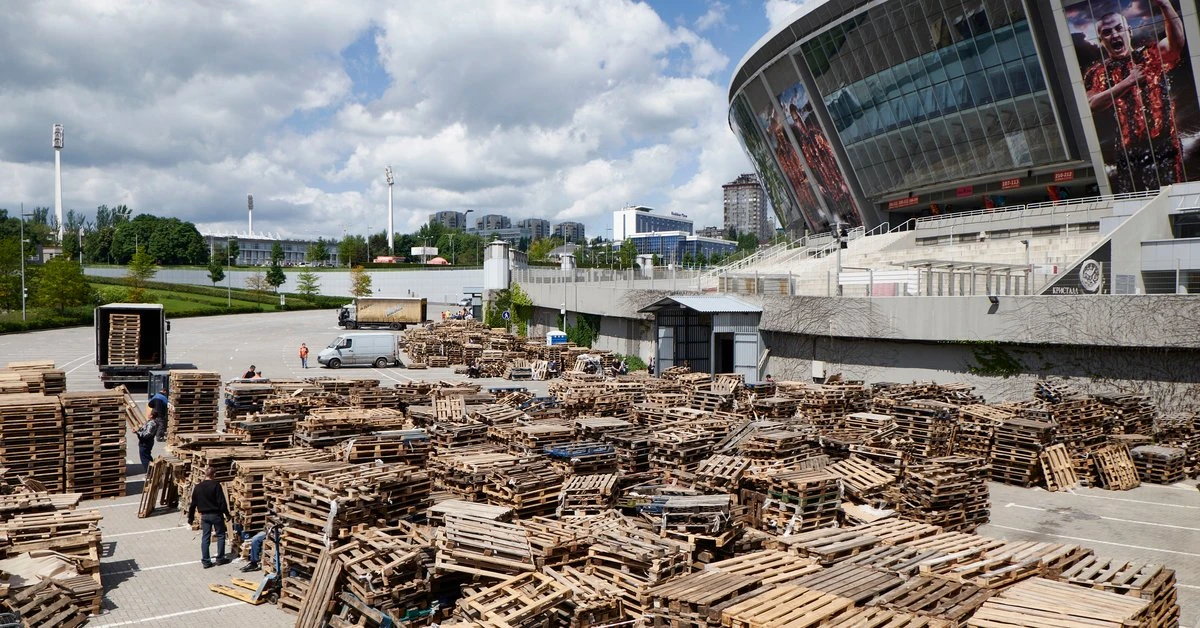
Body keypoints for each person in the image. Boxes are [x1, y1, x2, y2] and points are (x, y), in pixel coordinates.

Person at [1085, 0, 1186, 193]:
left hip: (1163, 143)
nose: (1114, 34)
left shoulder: (1149, 55)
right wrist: (1128, 82)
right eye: (1107, 32)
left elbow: (1176, 44)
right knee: (1133, 203)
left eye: (1118, 28)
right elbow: (1091, 104)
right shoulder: (1097, 72)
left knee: (1171, 197)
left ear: (1128, 31)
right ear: (1100, 40)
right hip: (1127, 151)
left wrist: (1165, 6)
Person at [188, 466, 231, 569]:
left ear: (205, 474)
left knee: (205, 537)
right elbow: (221, 502)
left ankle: (206, 561)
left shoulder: (198, 487)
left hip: (205, 516)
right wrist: (227, 514)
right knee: (220, 535)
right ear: (213, 475)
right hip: (216, 515)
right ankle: (220, 558)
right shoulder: (216, 486)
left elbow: (193, 504)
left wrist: (190, 518)